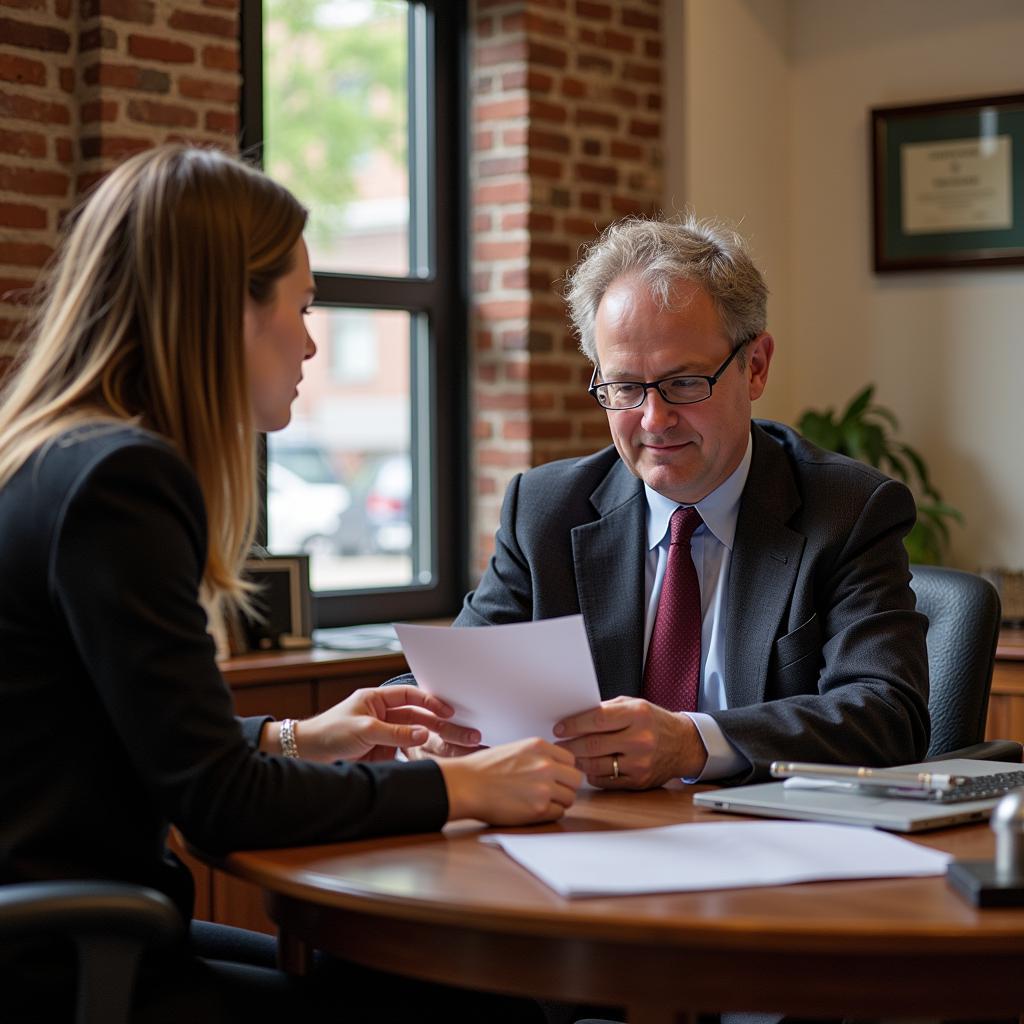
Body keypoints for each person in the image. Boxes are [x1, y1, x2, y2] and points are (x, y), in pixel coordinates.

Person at [0, 144, 580, 1023]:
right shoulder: (122, 481)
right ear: (228, 305)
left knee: (404, 975)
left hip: (69, 935)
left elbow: (130, 729)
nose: (311, 341)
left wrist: (292, 736)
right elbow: (218, 806)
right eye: (303, 307)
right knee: (484, 1006)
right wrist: (471, 786)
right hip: (64, 965)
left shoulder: (53, 455)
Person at [400, 214, 929, 792]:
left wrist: (692, 742)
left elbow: (886, 715)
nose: (654, 420)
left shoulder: (848, 511)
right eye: (625, 387)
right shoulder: (547, 511)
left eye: (683, 383)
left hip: (770, 850)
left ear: (755, 367)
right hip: (587, 844)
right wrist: (428, 728)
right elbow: (455, 684)